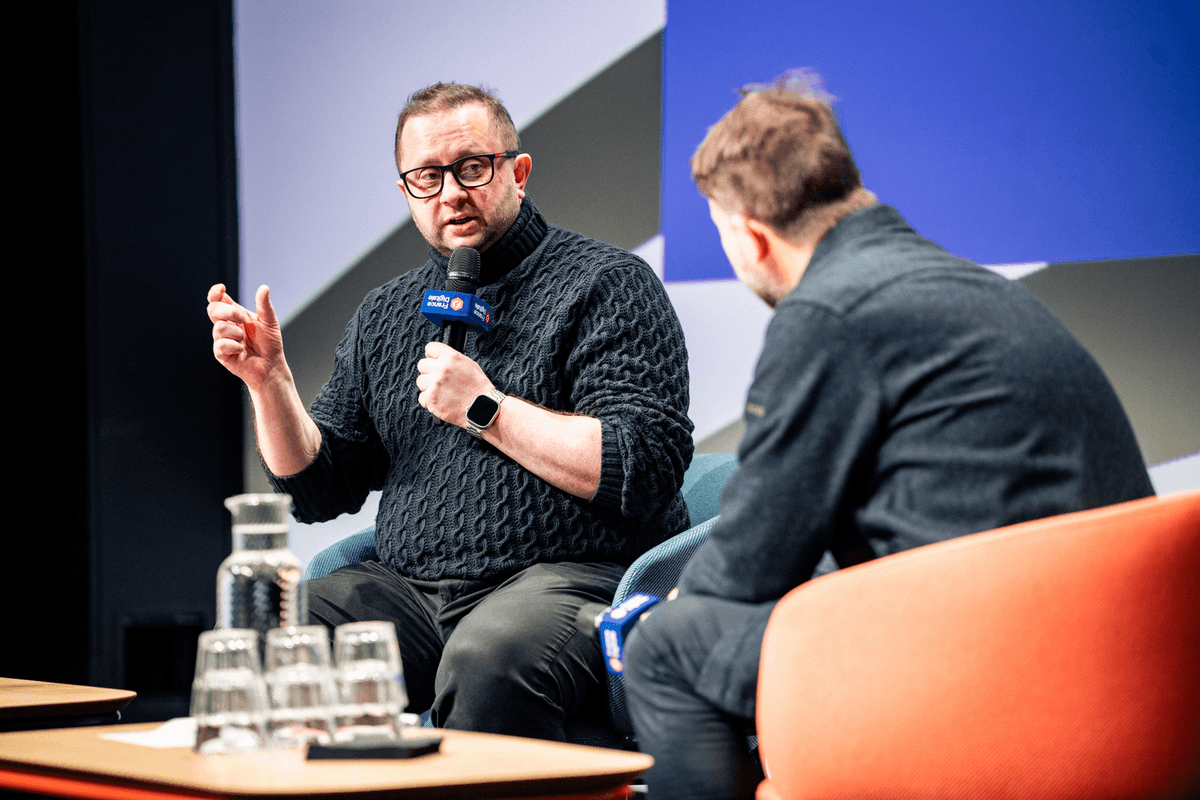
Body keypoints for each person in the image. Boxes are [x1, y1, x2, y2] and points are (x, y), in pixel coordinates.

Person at [622, 70, 1154, 799]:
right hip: (1123, 664)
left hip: (987, 672)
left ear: (750, 236)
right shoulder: (970, 287)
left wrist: (681, 602)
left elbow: (748, 564)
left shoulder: (827, 315)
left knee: (665, 647)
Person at [207, 83, 694, 741]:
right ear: (406, 192)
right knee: (269, 633)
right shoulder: (386, 312)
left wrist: (485, 407)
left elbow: (642, 465)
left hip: (570, 579)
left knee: (488, 657)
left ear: (518, 172)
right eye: (427, 178)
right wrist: (270, 384)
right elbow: (319, 487)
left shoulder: (607, 284)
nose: (451, 193)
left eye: (472, 168)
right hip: (411, 592)